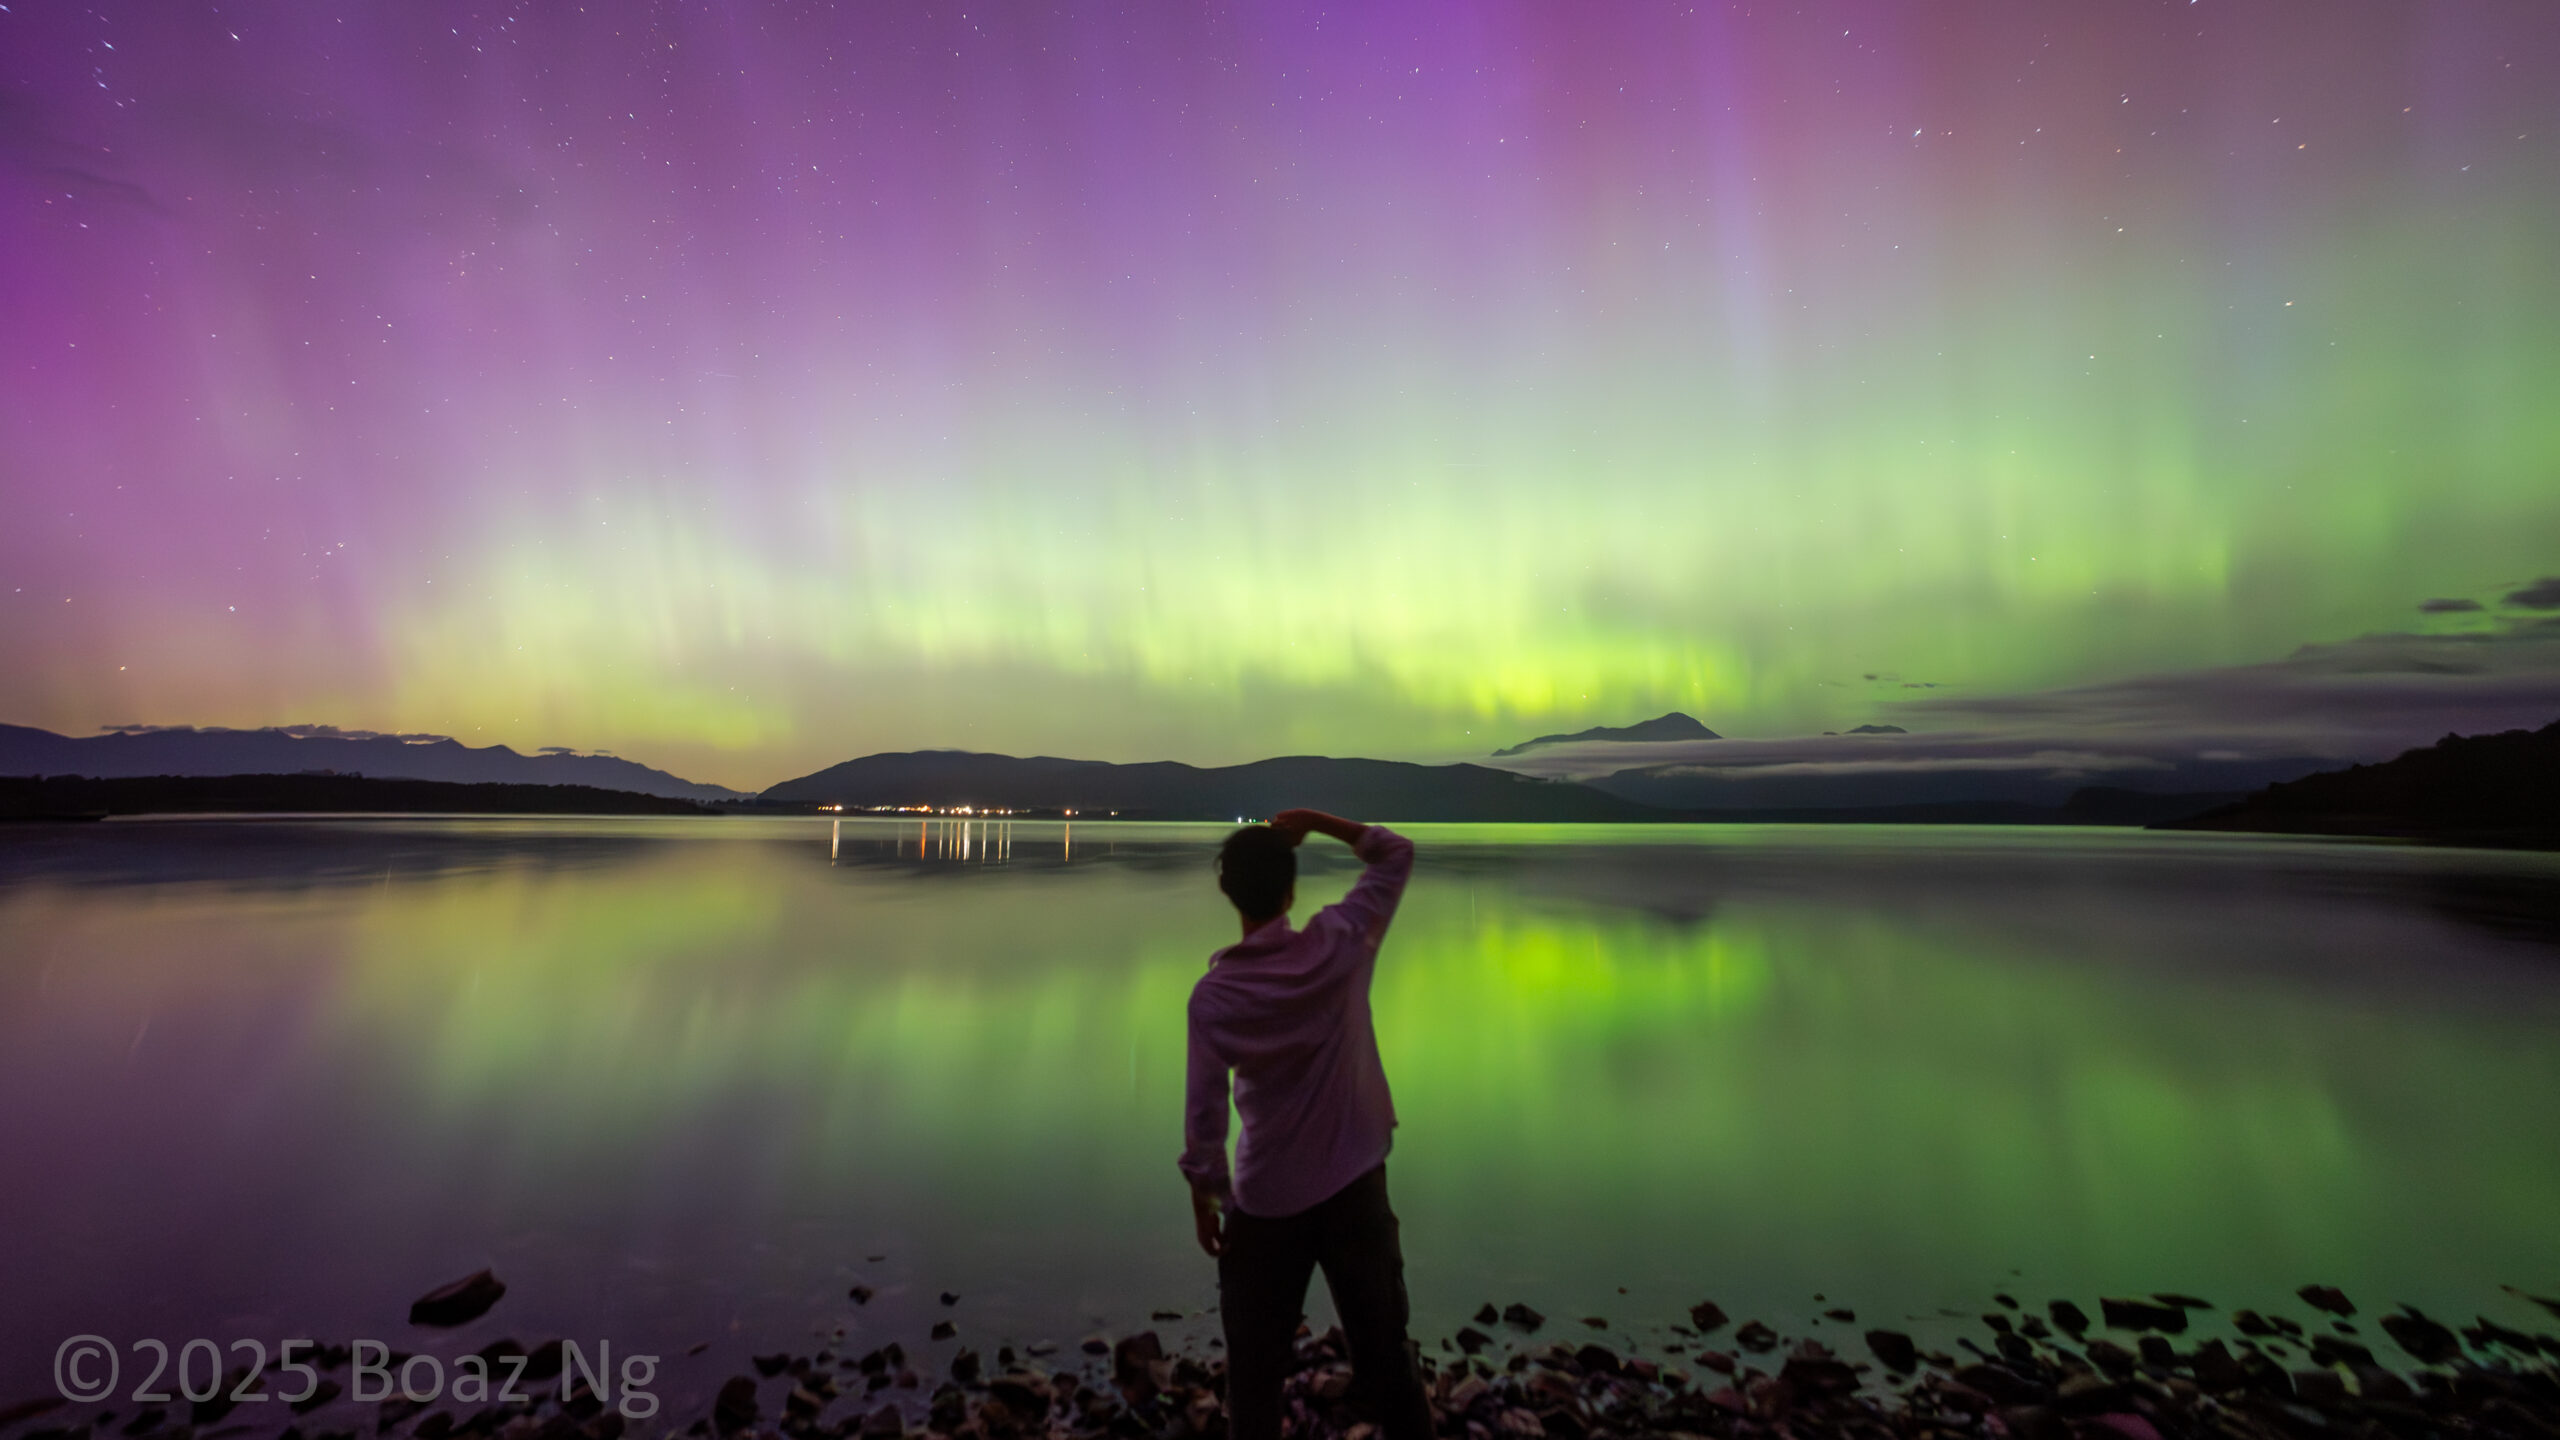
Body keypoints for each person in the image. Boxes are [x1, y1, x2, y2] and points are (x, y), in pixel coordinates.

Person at [1180, 808, 1433, 1440]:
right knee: (1384, 1354)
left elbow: (1206, 1116)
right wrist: (1319, 823)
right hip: (1355, 1181)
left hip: (1267, 1201)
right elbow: (1395, 852)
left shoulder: (1215, 999)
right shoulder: (1340, 945)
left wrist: (1206, 1196)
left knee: (1254, 1374)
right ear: (1292, 891)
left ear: (1225, 891)